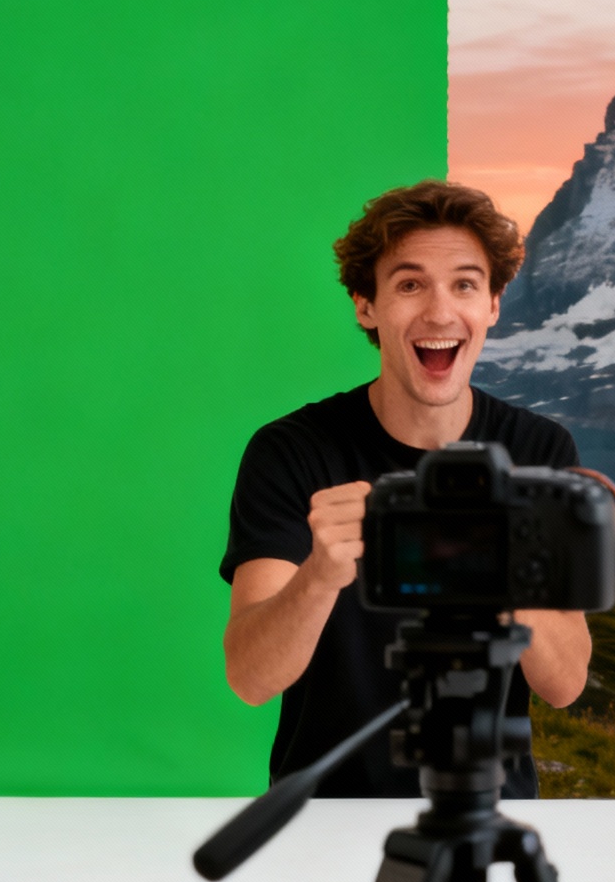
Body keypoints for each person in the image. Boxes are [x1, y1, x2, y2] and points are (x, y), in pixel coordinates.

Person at [218, 179, 593, 798]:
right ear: (367, 305)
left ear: (493, 304)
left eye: (465, 284)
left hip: (486, 817)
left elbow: (565, 683)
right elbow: (250, 678)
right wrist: (318, 576)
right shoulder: (292, 452)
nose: (440, 313)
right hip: (325, 818)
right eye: (410, 284)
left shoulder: (540, 453)